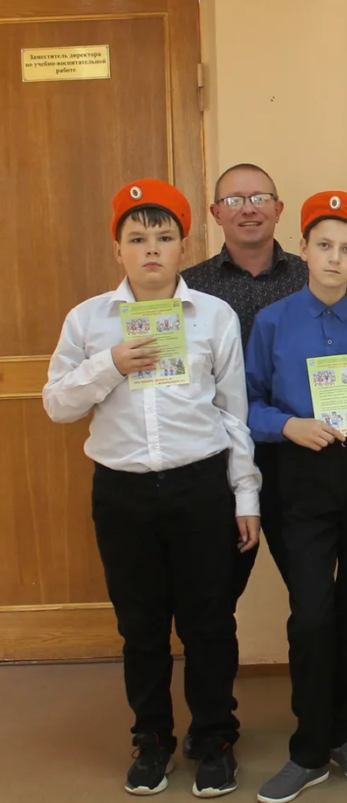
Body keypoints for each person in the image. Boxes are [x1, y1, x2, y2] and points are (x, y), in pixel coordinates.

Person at [42, 179, 260, 797]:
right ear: (118, 249)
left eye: (164, 237)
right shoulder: (88, 320)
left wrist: (245, 494)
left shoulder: (213, 315)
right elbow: (56, 404)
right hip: (123, 493)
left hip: (200, 487)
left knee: (209, 623)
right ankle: (152, 739)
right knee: (140, 626)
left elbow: (234, 413)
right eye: (137, 239)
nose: (151, 250)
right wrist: (110, 363)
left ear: (182, 244)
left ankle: (214, 738)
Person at [247, 191, 347, 803]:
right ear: (303, 250)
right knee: (313, 612)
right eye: (323, 245)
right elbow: (248, 403)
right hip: (301, 475)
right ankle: (308, 748)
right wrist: (288, 425)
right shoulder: (273, 322)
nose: (334, 258)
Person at [181, 163, 347, 605]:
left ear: (278, 208)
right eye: (234, 200)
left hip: (301, 455)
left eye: (260, 199)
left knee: (313, 599)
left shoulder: (313, 274)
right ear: (216, 212)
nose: (248, 209)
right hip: (219, 457)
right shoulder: (190, 289)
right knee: (215, 595)